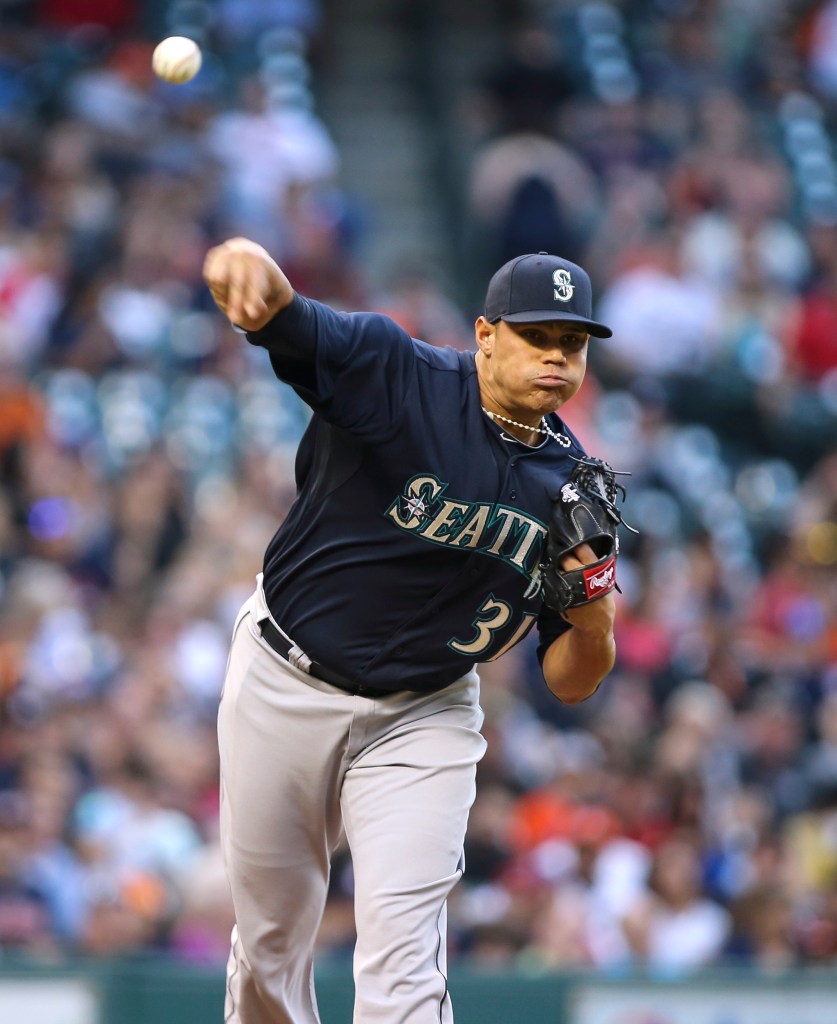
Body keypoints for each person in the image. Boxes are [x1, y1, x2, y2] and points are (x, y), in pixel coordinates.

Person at [202, 239, 619, 1024]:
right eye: (537, 336)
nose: (557, 357)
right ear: (485, 333)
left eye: (572, 343)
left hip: (424, 710)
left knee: (403, 961)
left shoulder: (571, 489)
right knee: (269, 945)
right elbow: (290, 322)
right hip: (285, 675)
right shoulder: (399, 374)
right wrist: (253, 277)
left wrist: (594, 609)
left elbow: (570, 679)